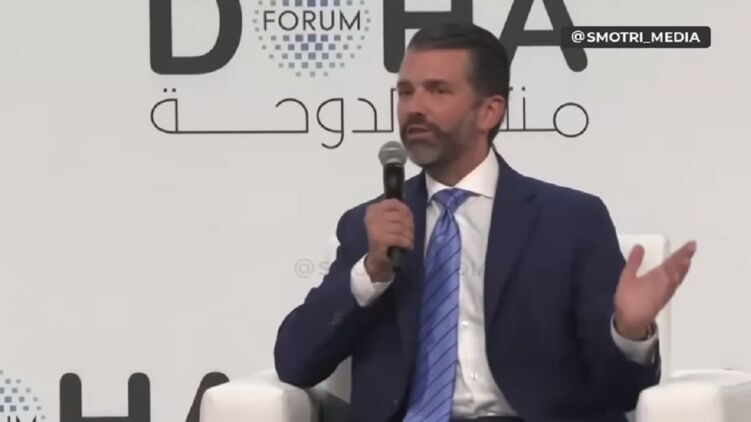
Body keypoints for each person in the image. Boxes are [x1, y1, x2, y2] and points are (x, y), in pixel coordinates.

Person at [273, 22, 697, 422]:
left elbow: (622, 393)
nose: (414, 108)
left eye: (438, 90)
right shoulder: (368, 226)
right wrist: (370, 273)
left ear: (489, 111)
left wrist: (628, 330)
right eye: (405, 92)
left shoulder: (569, 222)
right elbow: (295, 364)